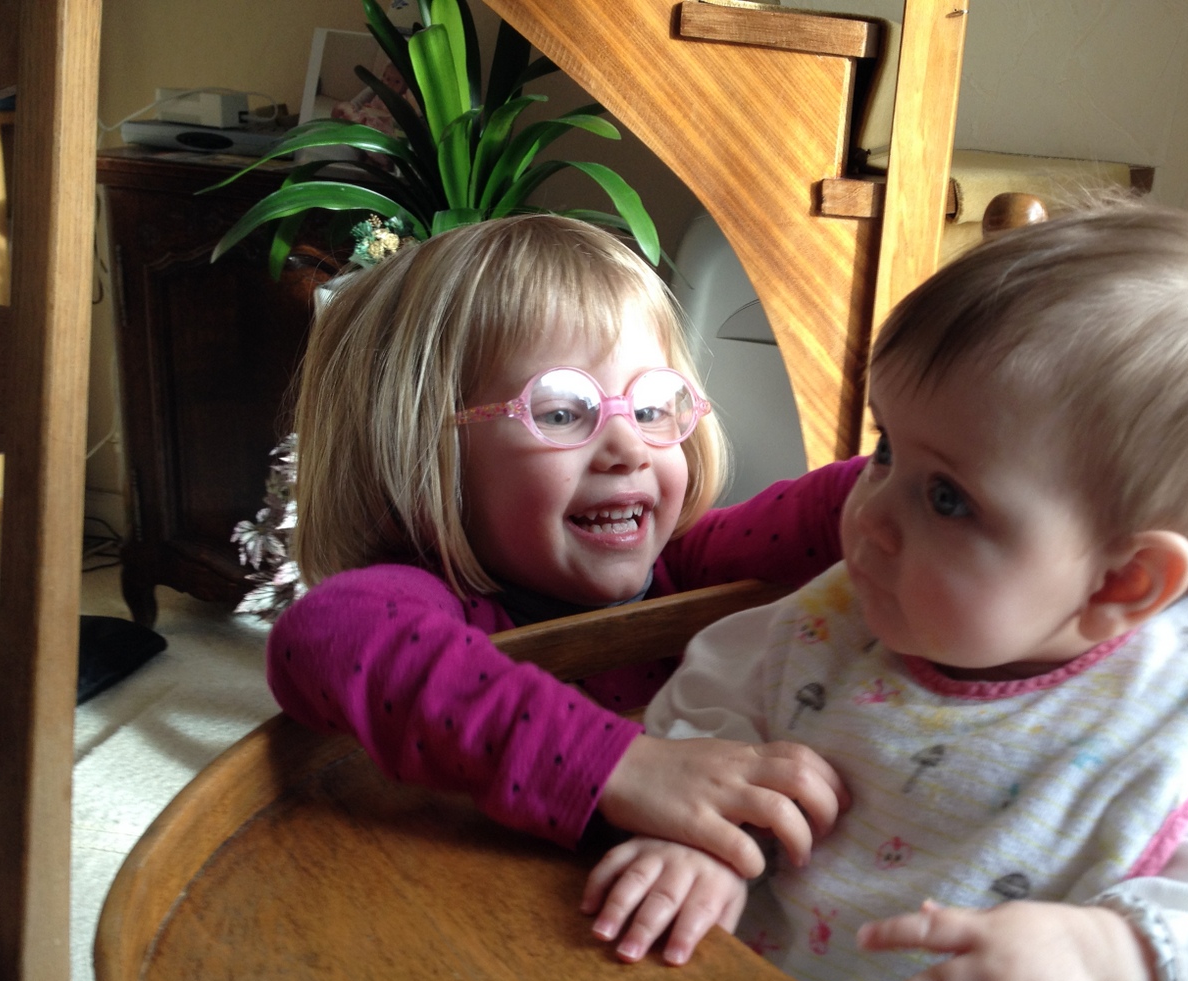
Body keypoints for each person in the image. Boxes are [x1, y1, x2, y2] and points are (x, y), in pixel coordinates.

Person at [582, 200, 1188, 981]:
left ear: (1122, 579)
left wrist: (1102, 963)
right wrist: (705, 832)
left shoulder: (1176, 723)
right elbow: (712, 702)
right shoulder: (844, 615)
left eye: (949, 499)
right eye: (886, 450)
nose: (870, 516)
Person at [267, 215, 860, 880]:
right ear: (418, 456)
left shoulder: (689, 565)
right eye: (559, 412)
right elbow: (323, 633)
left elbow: (845, 505)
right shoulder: (434, 601)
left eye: (650, 408)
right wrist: (620, 767)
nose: (628, 447)